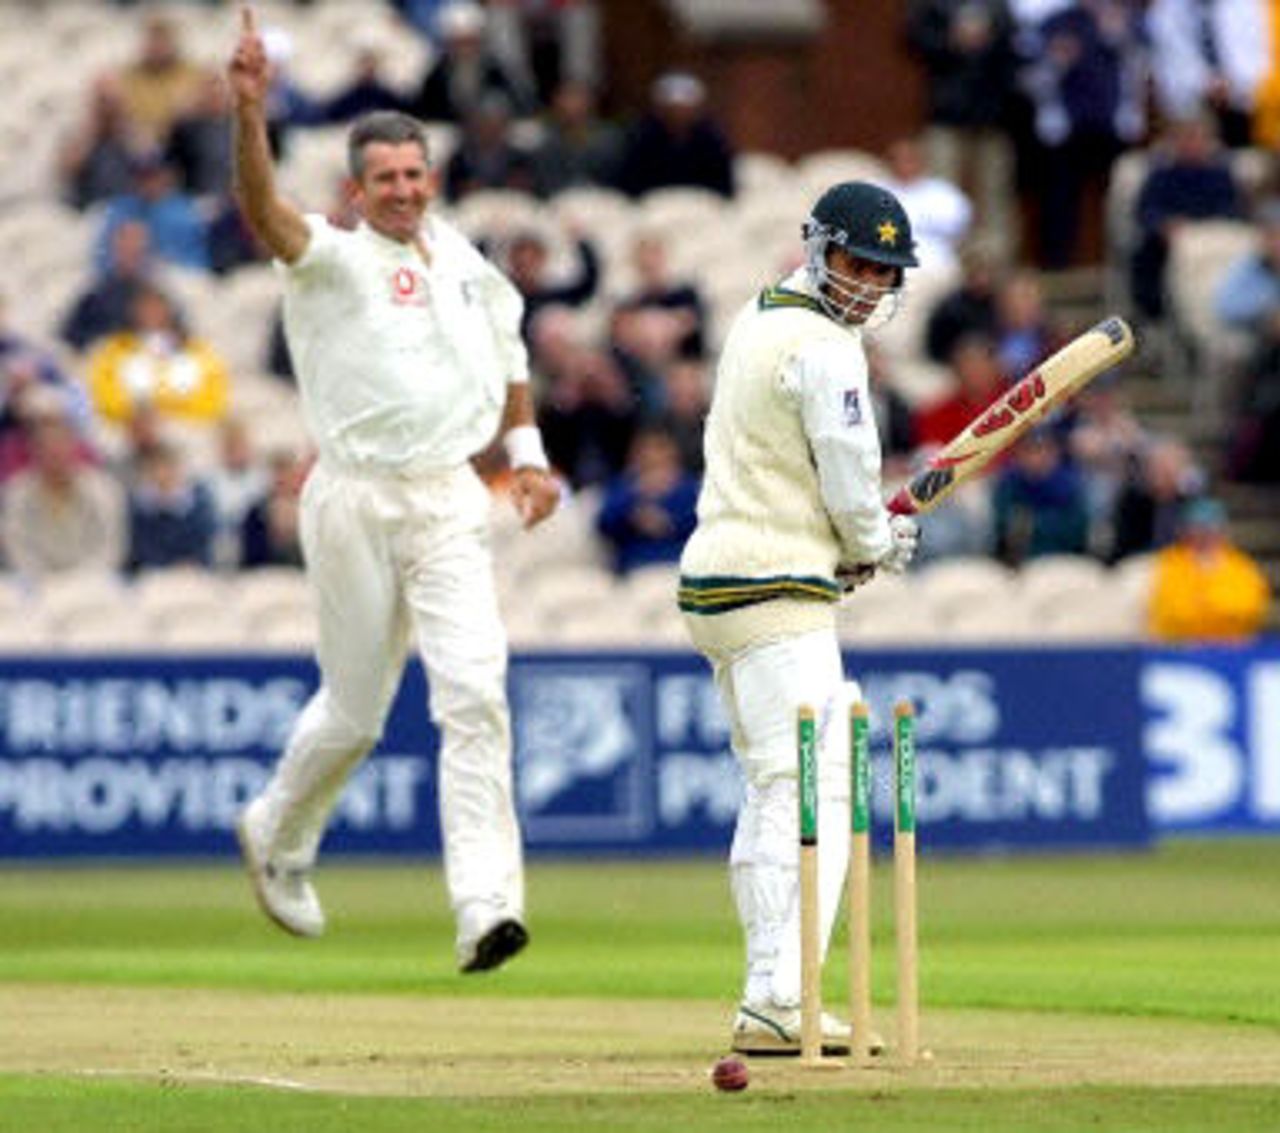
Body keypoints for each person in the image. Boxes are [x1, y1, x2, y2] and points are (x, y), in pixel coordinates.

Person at [227, 9, 559, 973]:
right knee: (359, 710)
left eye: (416, 176)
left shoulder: (464, 262)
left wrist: (528, 456)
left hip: (452, 499)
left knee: (475, 695)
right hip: (352, 497)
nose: (405, 191)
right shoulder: (330, 257)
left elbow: (511, 359)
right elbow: (265, 215)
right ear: (357, 188)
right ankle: (278, 832)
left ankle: (487, 905)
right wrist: (249, 115)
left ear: (432, 178)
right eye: (387, 180)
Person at [678, 181, 921, 1056]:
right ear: (819, 248)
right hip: (774, 585)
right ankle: (781, 992)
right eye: (857, 261)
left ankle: (769, 990)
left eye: (884, 270)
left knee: (775, 785)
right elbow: (850, 469)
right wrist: (875, 540)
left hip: (725, 579)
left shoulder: (757, 317)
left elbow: (788, 462)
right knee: (815, 790)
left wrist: (845, 545)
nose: (866, 284)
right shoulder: (825, 347)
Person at [1148, 497, 1271, 641]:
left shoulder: (1243, 567)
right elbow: (1172, 613)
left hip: (1233, 649)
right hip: (1181, 649)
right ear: (1184, 531)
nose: (1205, 535)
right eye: (1198, 528)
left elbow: (1249, 610)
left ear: (1224, 532)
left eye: (1212, 528)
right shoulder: (1167, 563)